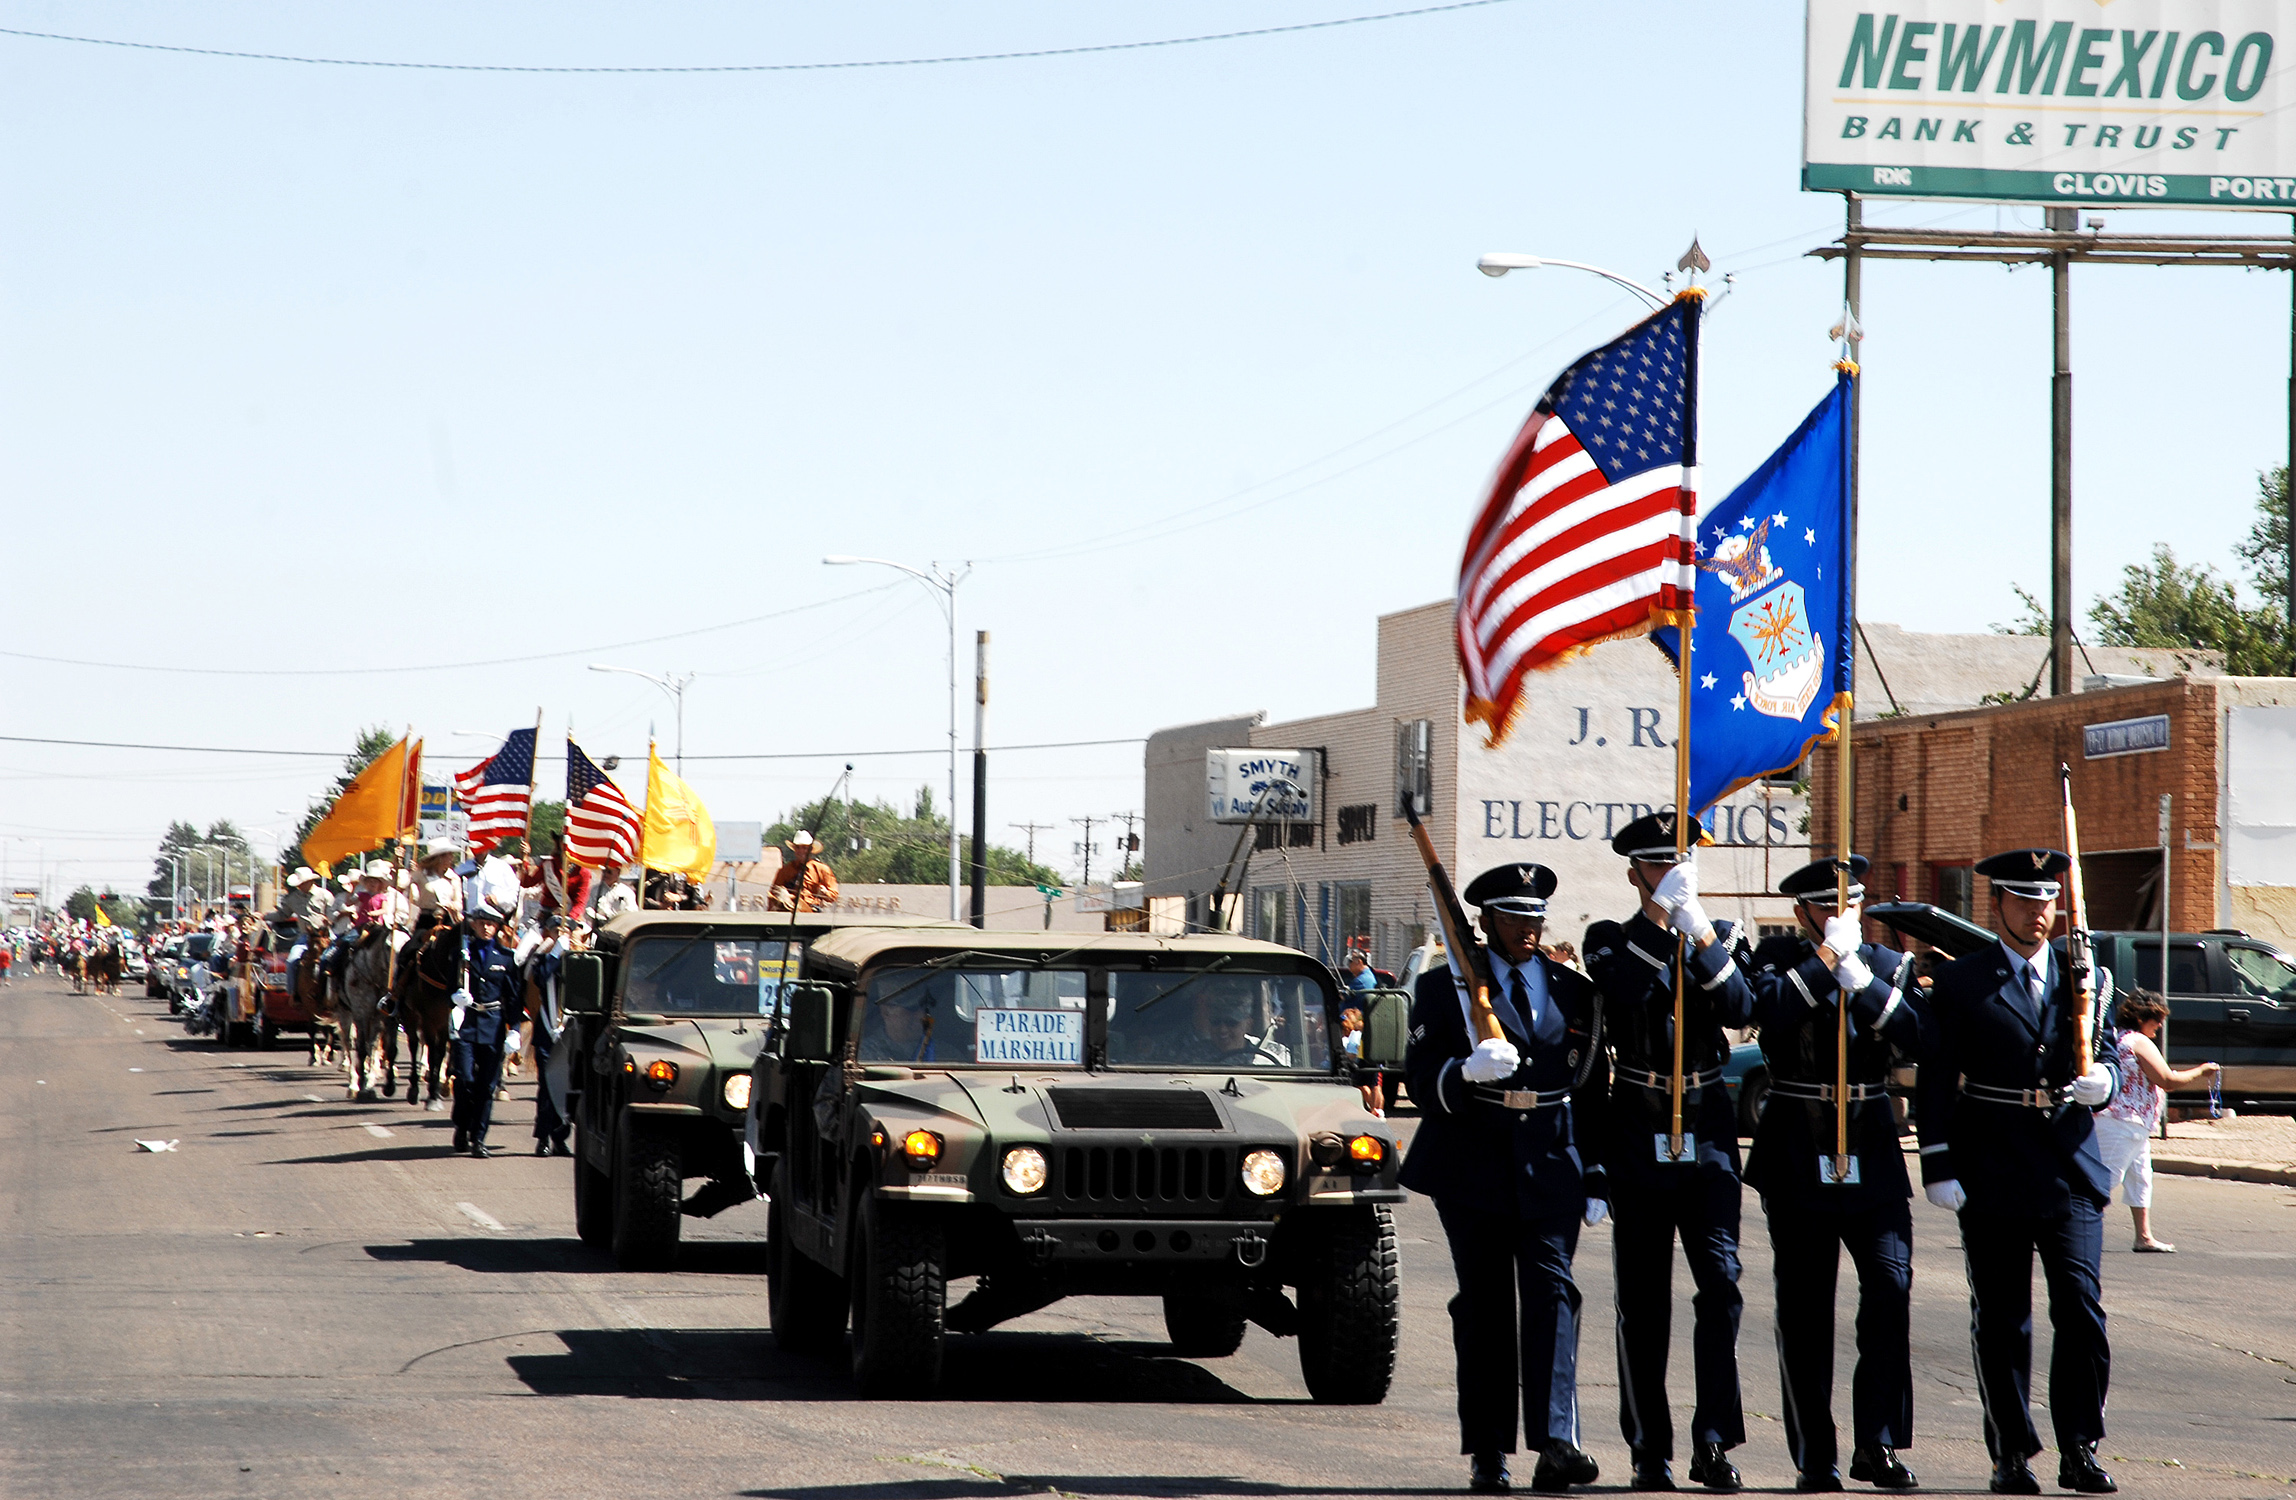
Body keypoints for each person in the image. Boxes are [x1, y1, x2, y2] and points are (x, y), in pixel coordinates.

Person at [1915, 848, 2119, 1495]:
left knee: (2082, 1310)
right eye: (2026, 901)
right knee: (2003, 1319)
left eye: (2048, 901)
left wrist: (2104, 1080)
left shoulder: (2083, 977)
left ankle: (2079, 1446)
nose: (2039, 914)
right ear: (1996, 904)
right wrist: (1938, 1161)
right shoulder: (1961, 982)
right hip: (1992, 1163)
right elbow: (1937, 1080)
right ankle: (2011, 1452)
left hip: (2068, 1164)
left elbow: (2107, 1053)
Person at [1401, 861, 1606, 1495]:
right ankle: (1488, 1451)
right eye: (1515, 916)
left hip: (1550, 1162)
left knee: (1554, 1296)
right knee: (1485, 1309)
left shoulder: (1573, 991)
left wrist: (1595, 1175)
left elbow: (1592, 1090)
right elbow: (1418, 1077)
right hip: (1473, 1164)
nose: (1530, 928)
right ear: (1485, 922)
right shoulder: (1445, 989)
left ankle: (1557, 1442)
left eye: (1537, 916)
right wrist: (1463, 1073)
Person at [1583, 811, 1755, 1493]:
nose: (1669, 875)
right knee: (1643, 1302)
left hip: (1708, 1129)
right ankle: (1648, 1446)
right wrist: (1660, 917)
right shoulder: (1611, 939)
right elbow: (1621, 989)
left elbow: (1742, 1004)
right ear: (1635, 874)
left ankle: (1713, 1441)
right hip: (1638, 1125)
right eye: (1655, 867)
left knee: (1722, 1284)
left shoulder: (1713, 934)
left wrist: (1704, 934)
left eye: (1676, 864)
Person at [1746, 856, 1922, 1492]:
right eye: (1825, 907)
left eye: (1849, 904)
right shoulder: (1774, 962)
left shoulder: (1886, 964)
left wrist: (1859, 978)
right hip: (1797, 1143)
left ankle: (1876, 1443)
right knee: (1804, 1307)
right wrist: (1822, 966)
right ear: (1802, 914)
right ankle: (1814, 1453)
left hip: (1870, 1145)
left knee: (1890, 1285)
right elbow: (1764, 1014)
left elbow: (1915, 1036)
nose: (1839, 915)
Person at [2097, 989, 2218, 1254]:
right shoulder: (2137, 1041)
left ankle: (2144, 1236)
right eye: (2157, 1019)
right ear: (2142, 1018)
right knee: (2101, 1182)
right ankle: (2059, 1228)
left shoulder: (2119, 1039)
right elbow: (2167, 1080)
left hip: (2132, 1123)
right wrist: (2201, 1071)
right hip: (2123, 1123)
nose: (2160, 1026)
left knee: (2141, 1178)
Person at [450, 899, 522, 1159]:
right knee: (465, 1080)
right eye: (482, 923)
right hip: (466, 1023)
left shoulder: (506, 958)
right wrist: (454, 996)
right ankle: (461, 1124)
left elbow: (514, 998)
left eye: (491, 924)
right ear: (474, 924)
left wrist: (514, 1029)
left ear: (498, 927)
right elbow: (449, 985)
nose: (486, 928)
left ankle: (478, 1138)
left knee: (486, 1087)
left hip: (492, 1024)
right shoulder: (462, 955)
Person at [522, 914, 575, 1156]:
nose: (562, 935)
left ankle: (560, 1138)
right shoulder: (543, 958)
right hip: (547, 1029)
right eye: (557, 931)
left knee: (567, 1087)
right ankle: (542, 1137)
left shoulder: (579, 957)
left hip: (570, 1032)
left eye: (566, 931)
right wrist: (555, 955)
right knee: (547, 1086)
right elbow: (541, 979)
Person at [767, 831, 841, 912]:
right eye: (798, 847)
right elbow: (773, 895)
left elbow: (833, 895)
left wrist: (825, 893)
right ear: (794, 849)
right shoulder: (785, 870)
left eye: (804, 848)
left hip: (812, 909)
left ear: (810, 850)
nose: (801, 851)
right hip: (788, 907)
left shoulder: (822, 869)